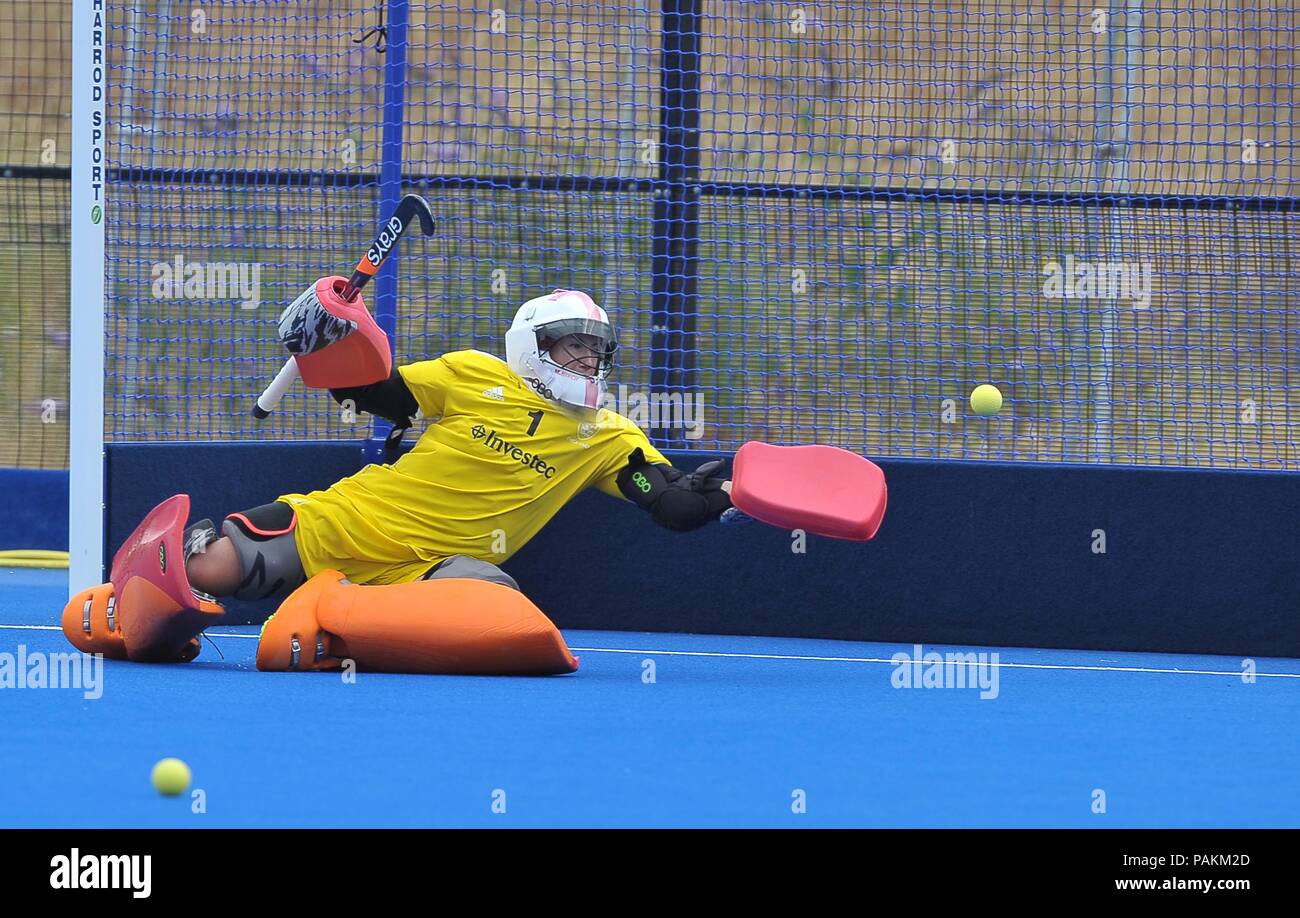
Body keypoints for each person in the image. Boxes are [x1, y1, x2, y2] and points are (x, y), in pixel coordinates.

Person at [63, 288, 733, 675]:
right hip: (349, 519)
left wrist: (720, 496)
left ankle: (325, 617)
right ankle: (140, 606)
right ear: (533, 346)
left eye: (594, 347)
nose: (586, 357)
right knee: (210, 565)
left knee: (505, 616)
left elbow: (665, 500)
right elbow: (377, 392)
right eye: (572, 344)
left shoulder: (609, 436)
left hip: (437, 569)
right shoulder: (476, 375)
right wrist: (334, 332)